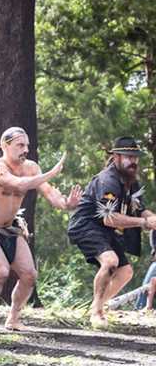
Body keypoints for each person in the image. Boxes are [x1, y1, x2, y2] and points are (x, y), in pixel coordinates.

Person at [0, 126, 81, 333]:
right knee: (1, 272)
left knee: (29, 274)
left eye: (27, 145)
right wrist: (50, 173)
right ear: (5, 146)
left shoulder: (32, 168)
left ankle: (13, 318)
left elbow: (50, 194)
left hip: (10, 228)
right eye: (20, 145)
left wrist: (67, 204)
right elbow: (17, 185)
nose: (25, 149)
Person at [68, 137, 156, 327]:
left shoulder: (132, 182)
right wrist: (144, 223)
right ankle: (97, 313)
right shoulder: (107, 180)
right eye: (128, 156)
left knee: (125, 272)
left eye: (135, 157)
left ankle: (94, 306)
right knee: (110, 261)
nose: (133, 161)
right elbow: (109, 217)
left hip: (104, 230)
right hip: (87, 226)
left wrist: (152, 219)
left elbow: (140, 209)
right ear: (116, 157)